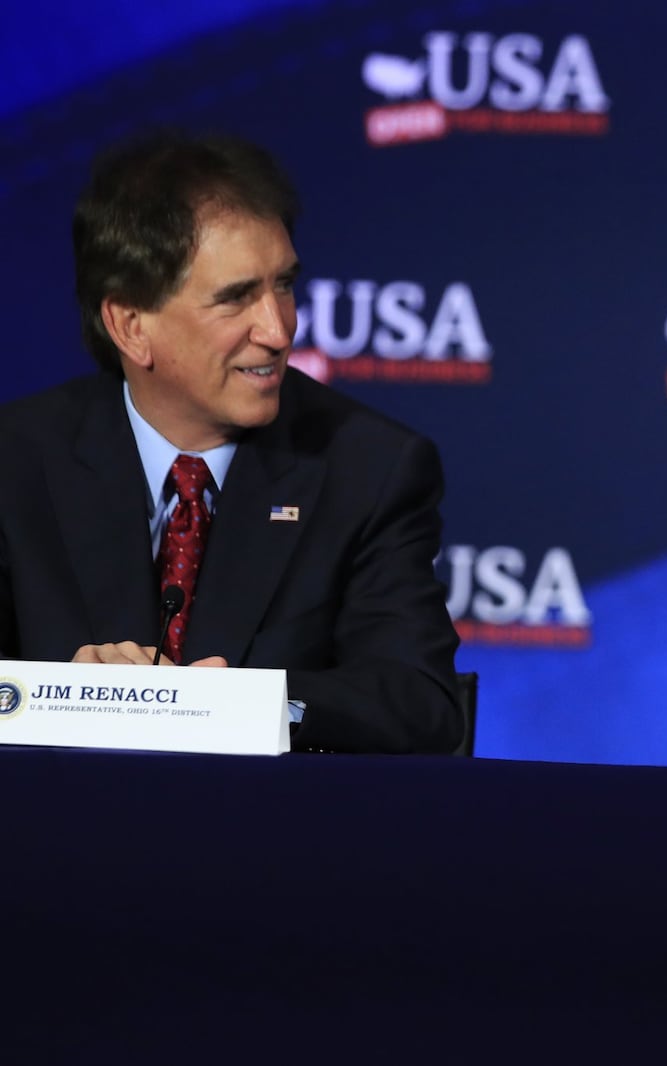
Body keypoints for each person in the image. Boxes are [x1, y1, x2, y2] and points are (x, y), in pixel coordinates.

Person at [0, 133, 462, 754]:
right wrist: (63, 699)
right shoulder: (16, 461)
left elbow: (419, 705)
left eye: (284, 286)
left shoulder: (369, 468)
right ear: (131, 326)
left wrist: (234, 706)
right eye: (236, 297)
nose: (278, 330)